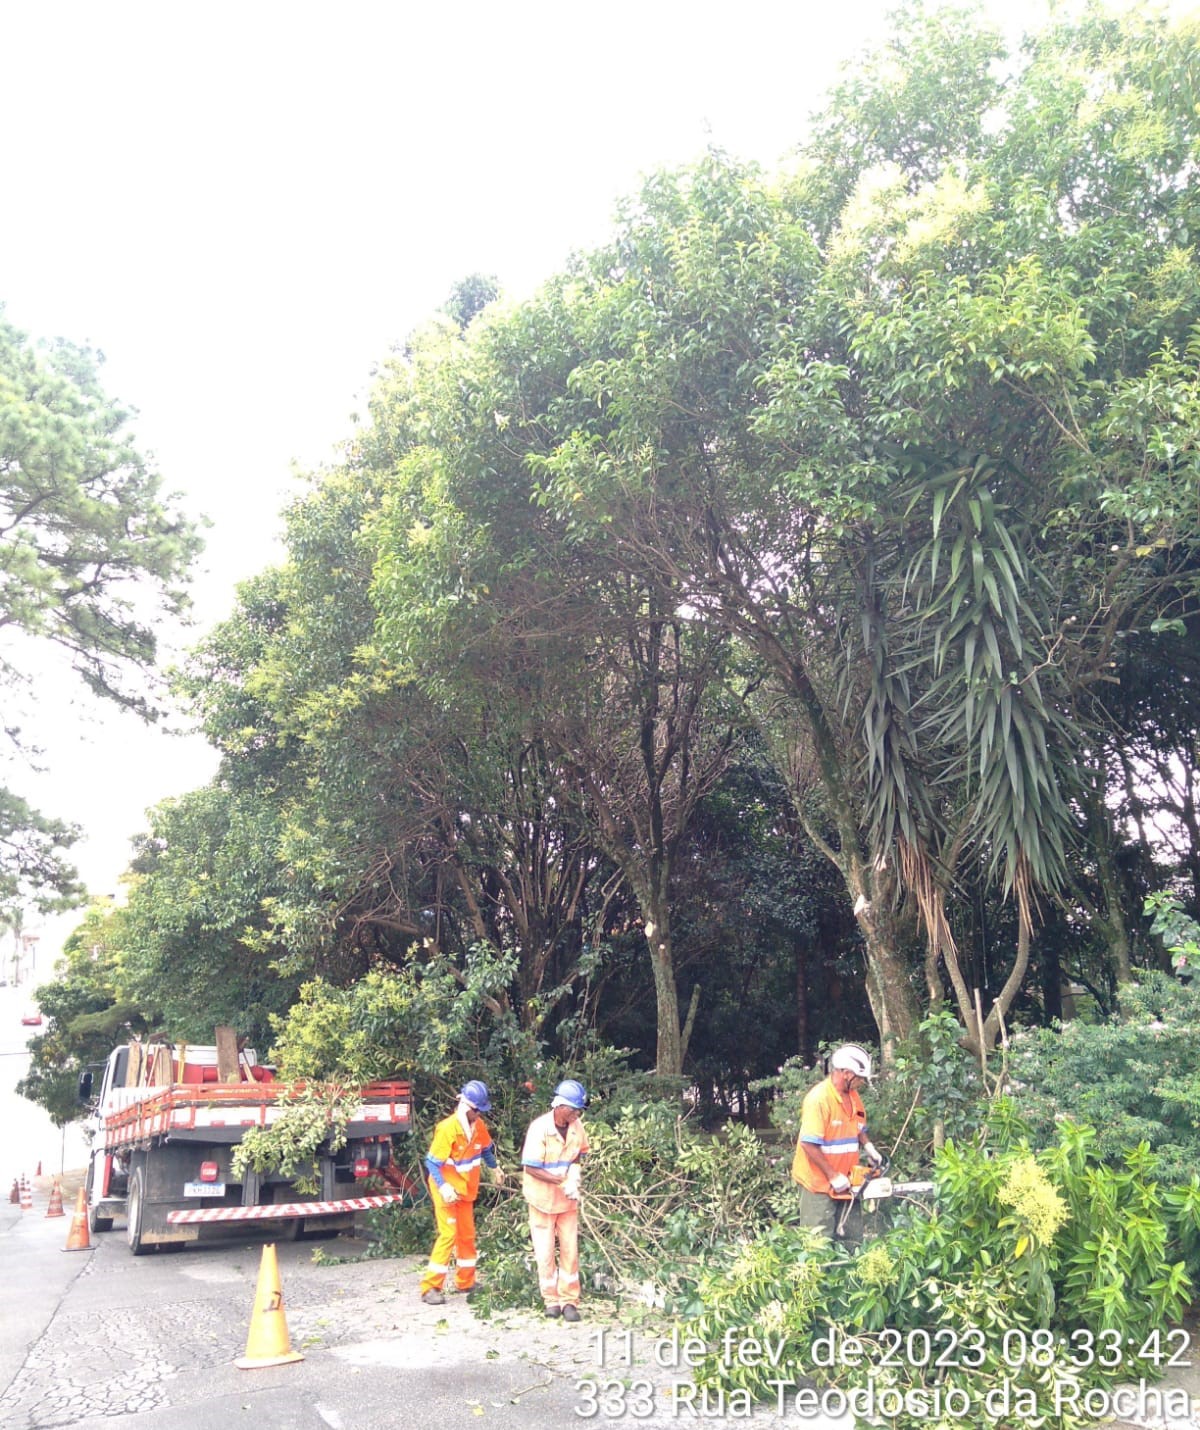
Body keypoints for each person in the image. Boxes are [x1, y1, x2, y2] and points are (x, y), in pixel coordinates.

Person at [419, 1080, 505, 1305]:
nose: (479, 1114)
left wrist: (495, 1168)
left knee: (467, 1235)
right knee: (448, 1235)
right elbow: (432, 1162)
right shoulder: (448, 1128)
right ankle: (430, 1287)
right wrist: (444, 1187)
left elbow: (485, 1150)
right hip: (445, 1189)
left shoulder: (479, 1127)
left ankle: (465, 1281)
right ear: (467, 1106)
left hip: (465, 1189)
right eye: (477, 1110)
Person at [790, 1045, 883, 1247]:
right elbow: (808, 1144)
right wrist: (832, 1175)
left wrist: (868, 1147)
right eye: (859, 1077)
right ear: (846, 1073)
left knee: (851, 1241)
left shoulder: (854, 1097)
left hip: (848, 1182)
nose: (861, 1083)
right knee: (817, 1244)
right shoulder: (819, 1099)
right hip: (818, 1184)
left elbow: (858, 1126)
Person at [521, 1078, 590, 1321]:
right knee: (545, 1251)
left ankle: (570, 1300)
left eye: (579, 1110)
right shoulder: (540, 1128)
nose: (577, 1114)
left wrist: (575, 1174)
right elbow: (531, 1168)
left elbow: (579, 1155)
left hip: (567, 1202)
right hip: (542, 1200)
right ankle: (551, 1300)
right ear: (561, 1106)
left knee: (570, 1250)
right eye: (574, 1110)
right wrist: (562, 1182)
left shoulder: (577, 1127)